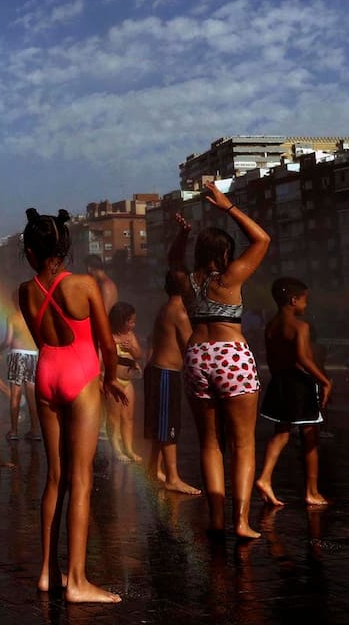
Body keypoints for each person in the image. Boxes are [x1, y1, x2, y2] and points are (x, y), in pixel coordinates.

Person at [18, 209, 124, 604]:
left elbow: (40, 339)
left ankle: (48, 571)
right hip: (81, 376)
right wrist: (109, 378)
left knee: (55, 477)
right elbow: (107, 344)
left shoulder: (25, 291)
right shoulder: (84, 285)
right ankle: (77, 581)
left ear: (31, 253)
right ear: (64, 247)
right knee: (81, 479)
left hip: (46, 374)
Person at [173, 182, 270, 540]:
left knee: (209, 443)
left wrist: (182, 236)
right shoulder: (230, 279)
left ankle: (216, 520)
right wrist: (228, 207)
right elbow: (262, 239)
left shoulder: (185, 282)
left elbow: (173, 260)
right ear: (226, 254)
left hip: (196, 357)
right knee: (242, 444)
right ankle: (241, 522)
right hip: (231, 356)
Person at [254, 278, 331, 507]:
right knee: (310, 436)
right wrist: (325, 381)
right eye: (305, 300)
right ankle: (311, 491)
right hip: (300, 384)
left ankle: (265, 477)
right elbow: (303, 358)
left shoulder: (271, 326)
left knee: (281, 433)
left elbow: (271, 358)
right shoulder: (300, 327)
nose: (306, 305)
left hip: (280, 382)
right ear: (294, 300)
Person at [144, 265, 201, 495]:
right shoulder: (179, 312)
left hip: (159, 371)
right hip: (165, 374)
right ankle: (172, 478)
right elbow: (190, 346)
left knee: (161, 424)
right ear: (186, 286)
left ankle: (152, 469)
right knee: (168, 427)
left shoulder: (166, 307)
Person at [0, 291, 40, 442]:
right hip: (32, 355)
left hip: (17, 356)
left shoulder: (13, 317)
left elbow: (8, 341)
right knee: (31, 395)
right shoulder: (35, 317)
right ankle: (35, 430)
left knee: (15, 394)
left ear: (15, 301)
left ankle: (14, 431)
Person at [106, 301, 144, 464]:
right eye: (130, 322)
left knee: (128, 417)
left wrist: (132, 349)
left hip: (127, 382)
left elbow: (139, 355)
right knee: (114, 417)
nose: (133, 325)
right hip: (113, 381)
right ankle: (116, 448)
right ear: (120, 321)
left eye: (134, 321)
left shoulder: (130, 336)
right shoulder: (109, 337)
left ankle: (129, 448)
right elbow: (101, 358)